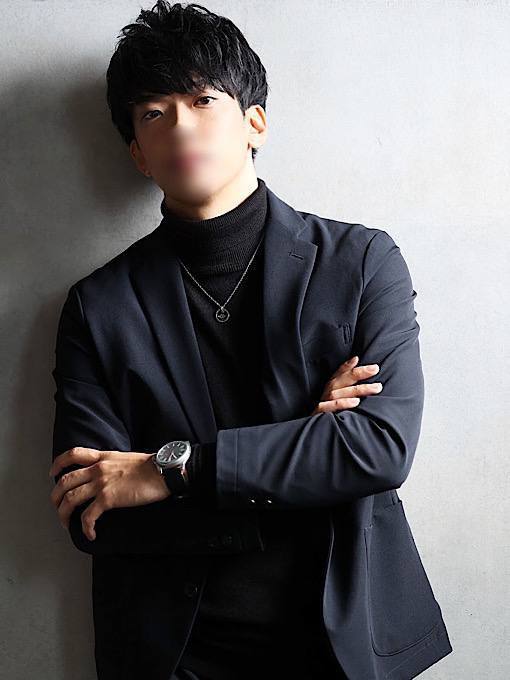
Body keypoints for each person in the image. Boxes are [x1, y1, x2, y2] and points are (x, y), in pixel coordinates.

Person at [49, 2, 453, 679]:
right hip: (176, 655)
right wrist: (306, 442)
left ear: (255, 121)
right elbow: (94, 512)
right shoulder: (98, 306)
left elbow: (379, 450)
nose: (181, 126)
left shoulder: (360, 262)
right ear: (137, 154)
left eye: (203, 100)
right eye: (153, 113)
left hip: (342, 638)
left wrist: (167, 471)